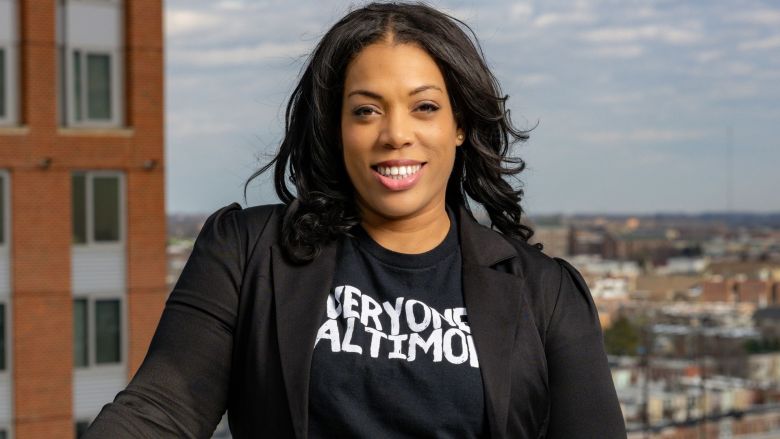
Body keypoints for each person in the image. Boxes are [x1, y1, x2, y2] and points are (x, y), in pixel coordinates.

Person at [84, 2, 625, 438]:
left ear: (459, 125)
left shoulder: (545, 294)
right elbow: (159, 411)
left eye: (425, 107)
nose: (395, 134)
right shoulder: (248, 253)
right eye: (366, 110)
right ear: (336, 128)